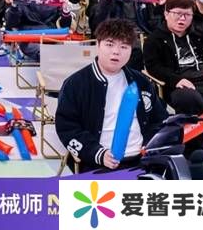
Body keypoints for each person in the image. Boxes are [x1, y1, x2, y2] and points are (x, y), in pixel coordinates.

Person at [55, 19, 168, 173]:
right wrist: (98, 153)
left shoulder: (140, 81)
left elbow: (159, 119)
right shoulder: (76, 84)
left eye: (124, 46)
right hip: (99, 162)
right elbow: (67, 128)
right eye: (109, 44)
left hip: (142, 160)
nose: (116, 52)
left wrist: (150, 144)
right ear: (97, 45)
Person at [143, 0, 203, 152]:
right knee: (190, 100)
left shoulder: (199, 35)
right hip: (178, 84)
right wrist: (175, 80)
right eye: (177, 14)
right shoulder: (155, 39)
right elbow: (153, 66)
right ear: (166, 14)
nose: (182, 19)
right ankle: (194, 151)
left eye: (187, 15)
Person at [93, 0, 157, 69]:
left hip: (140, 36)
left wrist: (160, 6)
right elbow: (99, 21)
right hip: (119, 35)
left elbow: (152, 21)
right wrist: (106, 0)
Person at [5, 0, 73, 61]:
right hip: (29, 38)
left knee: (67, 51)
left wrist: (65, 9)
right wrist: (14, 6)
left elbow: (65, 25)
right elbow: (11, 24)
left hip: (51, 37)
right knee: (41, 51)